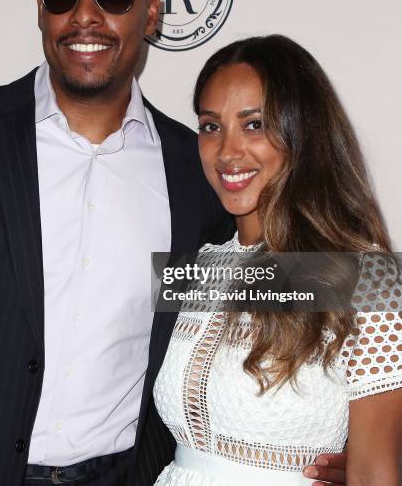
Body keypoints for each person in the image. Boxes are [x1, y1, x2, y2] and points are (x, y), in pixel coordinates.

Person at [0, 0, 347, 486]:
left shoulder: (201, 171)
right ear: (41, 5)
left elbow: (319, 292)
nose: (86, 13)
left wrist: (353, 458)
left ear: (151, 12)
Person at [153, 35, 402, 485]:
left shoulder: (369, 279)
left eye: (254, 125)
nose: (228, 151)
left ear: (302, 132)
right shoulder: (197, 269)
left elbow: (374, 474)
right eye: (211, 126)